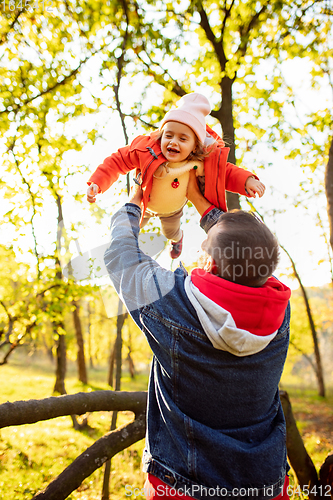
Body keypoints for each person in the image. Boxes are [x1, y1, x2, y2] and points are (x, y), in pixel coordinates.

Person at [103, 170, 291, 500]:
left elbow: (121, 256)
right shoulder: (279, 312)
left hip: (184, 486)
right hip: (264, 485)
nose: (202, 242)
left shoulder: (173, 303)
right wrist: (196, 196)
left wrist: (135, 200)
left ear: (212, 264)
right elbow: (247, 250)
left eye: (205, 245)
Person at [87, 92, 265, 259]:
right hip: (144, 204)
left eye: (182, 139)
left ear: (195, 146)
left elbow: (225, 172)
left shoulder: (199, 164)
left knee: (169, 231)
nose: (173, 142)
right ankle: (120, 251)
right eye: (169, 135)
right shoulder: (146, 151)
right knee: (131, 227)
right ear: (161, 135)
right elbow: (118, 160)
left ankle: (177, 239)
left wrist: (247, 180)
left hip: (172, 211)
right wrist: (98, 182)